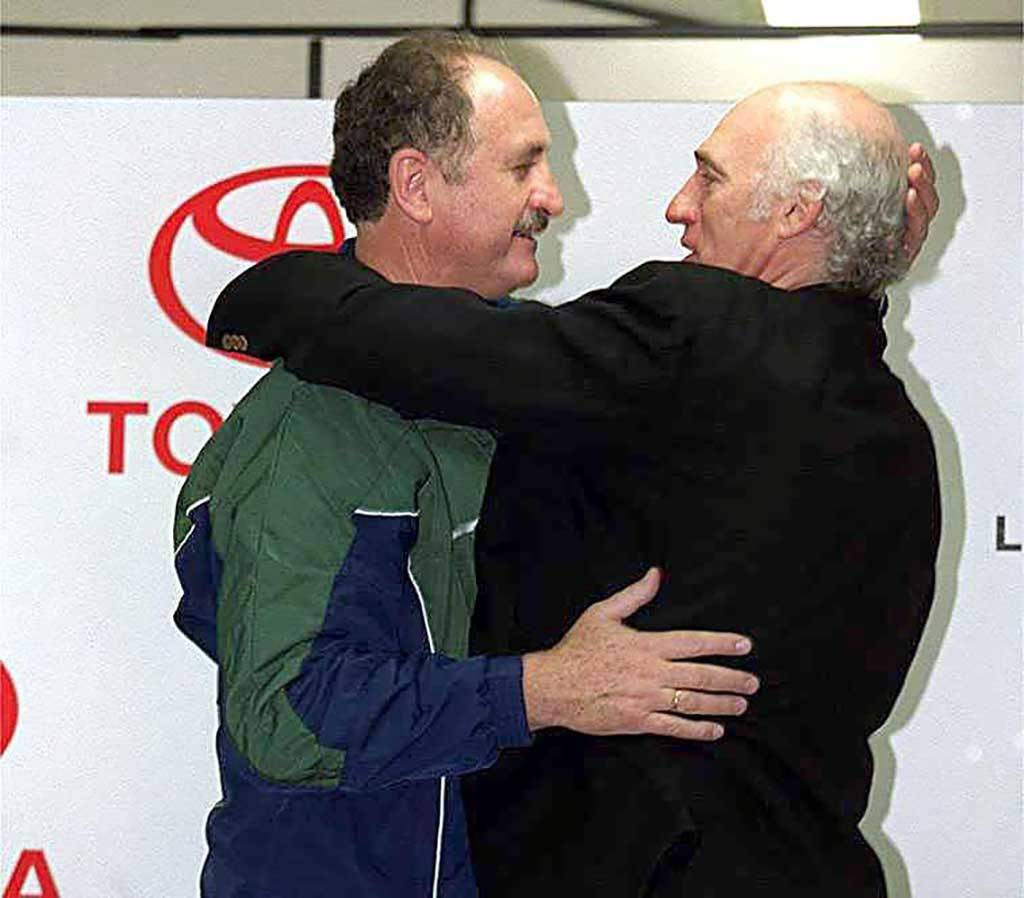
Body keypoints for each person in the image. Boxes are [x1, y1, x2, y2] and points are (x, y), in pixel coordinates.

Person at [210, 79, 941, 897]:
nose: (678, 206)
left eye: (710, 179)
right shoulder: (897, 436)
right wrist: (857, 266)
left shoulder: (698, 335)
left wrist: (264, 293)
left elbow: (419, 345)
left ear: (797, 212)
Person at [173, 34, 761, 898]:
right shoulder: (310, 432)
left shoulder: (532, 382)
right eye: (524, 166)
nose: (554, 197)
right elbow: (285, 712)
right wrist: (541, 690)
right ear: (415, 185)